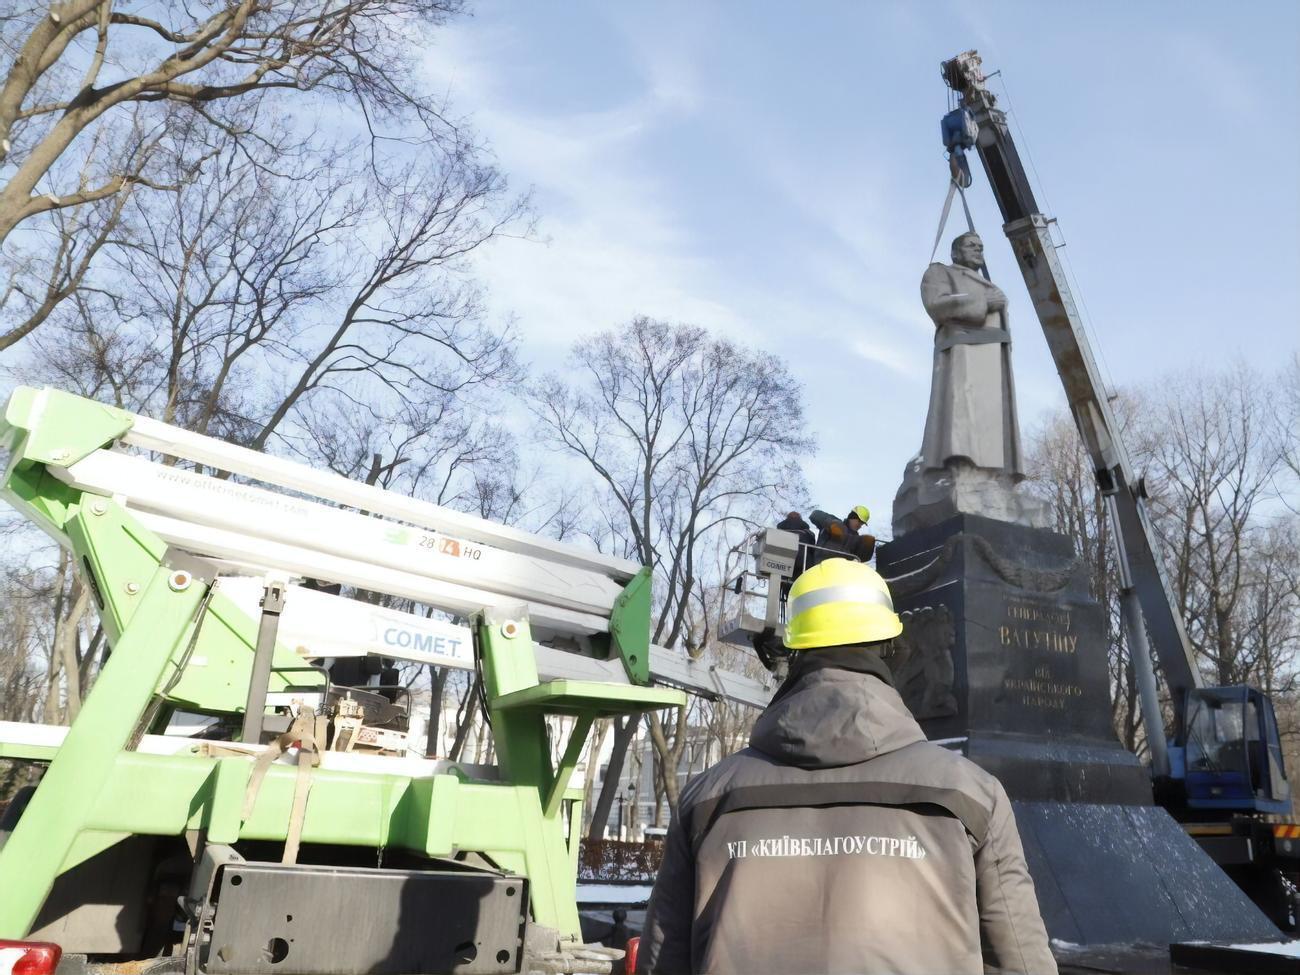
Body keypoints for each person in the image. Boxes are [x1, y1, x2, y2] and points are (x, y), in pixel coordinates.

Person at [636, 558, 1056, 975]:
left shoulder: (708, 800)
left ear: (794, 651)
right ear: (890, 648)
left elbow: (663, 960)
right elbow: (1021, 959)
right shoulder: (971, 795)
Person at [809, 505, 876, 564]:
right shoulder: (836, 522)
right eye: (859, 521)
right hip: (820, 565)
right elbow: (814, 514)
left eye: (862, 523)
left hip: (842, 571)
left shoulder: (856, 540)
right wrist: (830, 523)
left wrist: (868, 545)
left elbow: (862, 558)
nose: (860, 525)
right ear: (852, 517)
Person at [775, 510, 815, 590]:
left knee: (784, 587)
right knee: (801, 587)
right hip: (804, 564)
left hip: (783, 564)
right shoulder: (808, 533)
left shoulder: (778, 532)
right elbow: (813, 550)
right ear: (800, 519)